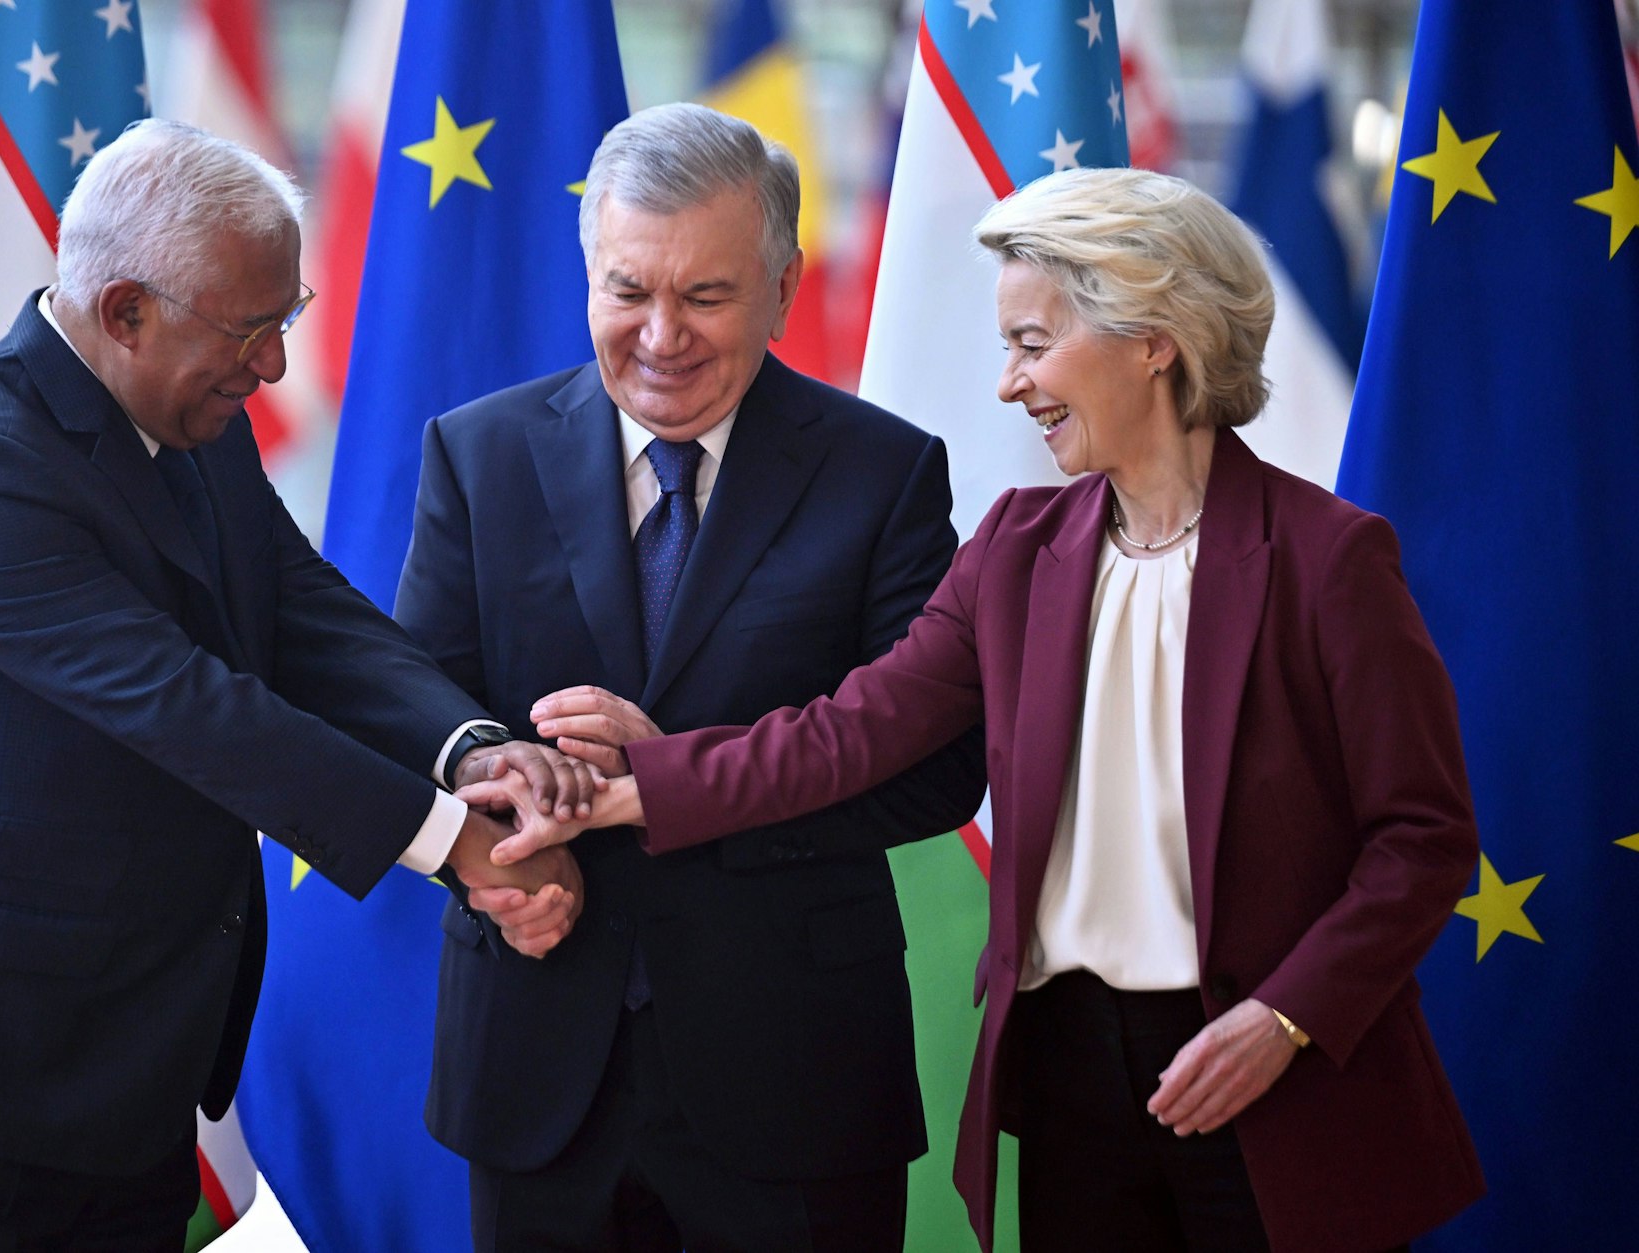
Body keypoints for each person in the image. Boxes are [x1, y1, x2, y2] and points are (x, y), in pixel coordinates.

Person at [483, 166, 1487, 1253]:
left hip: (1274, 1075)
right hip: (1065, 1080)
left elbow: (1420, 841)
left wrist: (1285, 1018)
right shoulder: (1014, 548)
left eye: (1031, 342)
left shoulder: (1327, 559)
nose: (1009, 385)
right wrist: (638, 789)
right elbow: (849, 731)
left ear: (1152, 335)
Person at [0, 119, 591, 1252]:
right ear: (124, 311)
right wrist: (454, 838)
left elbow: (299, 613)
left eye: (287, 318)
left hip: (127, 1062)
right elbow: (184, 703)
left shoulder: (189, 415)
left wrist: (465, 745)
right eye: (252, 328)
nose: (271, 366)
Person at [395, 102, 986, 1252]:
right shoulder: (478, 453)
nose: (660, 334)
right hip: (535, 1063)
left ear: (779, 286)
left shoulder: (883, 472)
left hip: (794, 1075)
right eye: (627, 290)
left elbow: (940, 771)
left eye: (705, 296)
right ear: (587, 276)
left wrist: (676, 774)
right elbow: (412, 707)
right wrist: (496, 824)